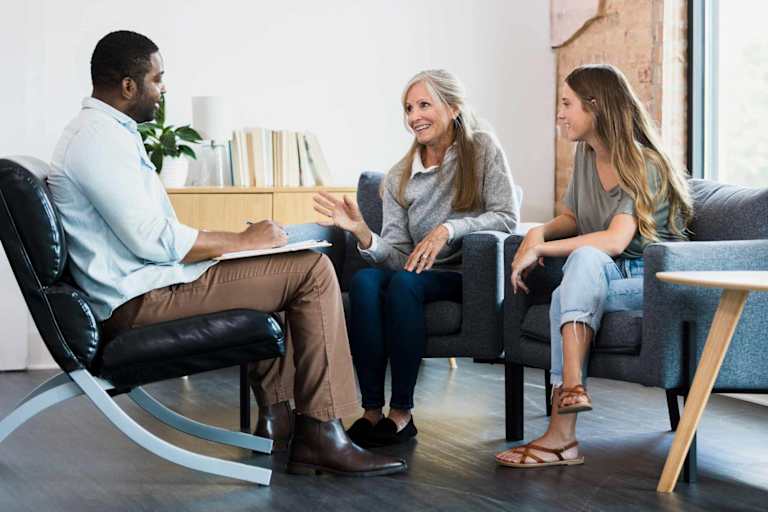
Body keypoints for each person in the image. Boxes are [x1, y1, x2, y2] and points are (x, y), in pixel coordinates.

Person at [48, 30, 406, 477]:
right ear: (127, 86)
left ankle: (278, 420)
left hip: (150, 285)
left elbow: (154, 235)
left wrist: (237, 246)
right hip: (141, 300)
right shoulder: (97, 139)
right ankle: (323, 433)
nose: (163, 90)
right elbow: (149, 238)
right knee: (312, 271)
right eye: (158, 80)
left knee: (284, 269)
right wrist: (242, 242)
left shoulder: (106, 133)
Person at [495, 64, 693, 468]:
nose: (560, 113)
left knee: (579, 269)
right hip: (610, 271)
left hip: (654, 279)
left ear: (596, 106)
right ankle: (570, 402)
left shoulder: (645, 164)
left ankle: (562, 433)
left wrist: (541, 251)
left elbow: (616, 240)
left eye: (567, 104)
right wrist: (538, 234)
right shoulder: (586, 155)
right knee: (581, 267)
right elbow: (572, 217)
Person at [314, 69, 520, 447]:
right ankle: (371, 410)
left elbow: (507, 216)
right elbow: (397, 256)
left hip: (460, 273)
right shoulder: (398, 177)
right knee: (364, 280)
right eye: (409, 108)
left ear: (453, 107)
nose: (414, 117)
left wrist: (448, 229)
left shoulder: (482, 149)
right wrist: (362, 232)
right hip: (412, 272)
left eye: (424, 105)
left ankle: (402, 412)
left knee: (405, 284)